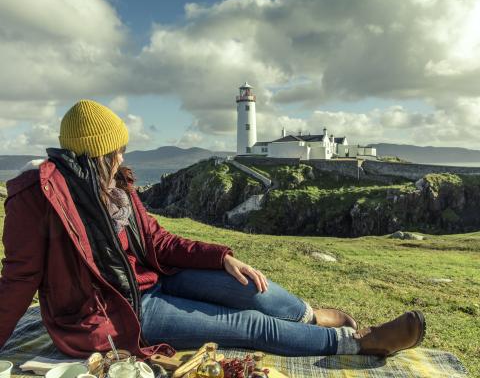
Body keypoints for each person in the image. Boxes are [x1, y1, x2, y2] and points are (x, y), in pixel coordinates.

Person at [0, 100, 426, 359]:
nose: (124, 154)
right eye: (118, 148)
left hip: (157, 281)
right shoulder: (36, 199)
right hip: (119, 311)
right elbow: (17, 279)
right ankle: (361, 342)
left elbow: (158, 240)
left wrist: (220, 256)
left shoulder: (116, 186)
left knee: (249, 286)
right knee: (247, 325)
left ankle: (308, 315)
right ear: (98, 154)